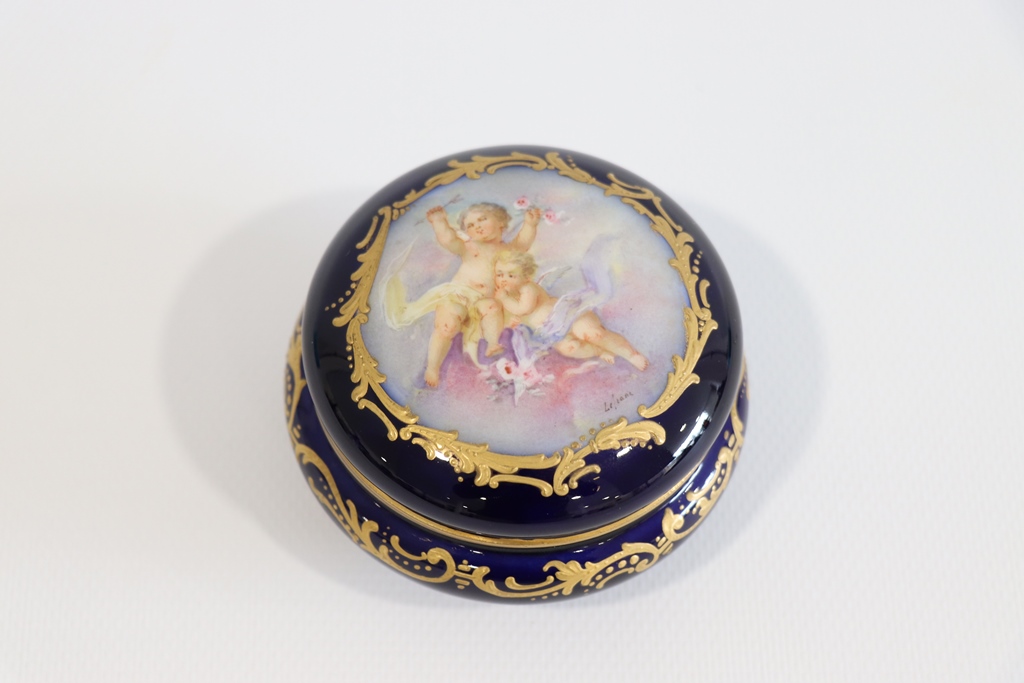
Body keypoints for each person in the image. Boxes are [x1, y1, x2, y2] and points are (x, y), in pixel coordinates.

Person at [384, 203, 541, 387]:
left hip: (482, 301)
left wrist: (530, 224)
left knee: (492, 307)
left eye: (482, 219)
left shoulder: (509, 251)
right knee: (447, 325)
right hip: (458, 296)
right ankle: (432, 367)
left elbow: (523, 242)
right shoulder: (470, 247)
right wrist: (440, 222)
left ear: (501, 222)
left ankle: (492, 344)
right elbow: (448, 240)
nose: (477, 226)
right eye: (470, 225)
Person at [492, 250, 650, 371]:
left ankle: (631, 354)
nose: (503, 279)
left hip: (571, 316)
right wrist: (513, 323)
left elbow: (524, 309)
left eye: (511, 275)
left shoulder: (528, 288)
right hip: (554, 332)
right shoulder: (507, 296)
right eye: (499, 274)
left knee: (592, 333)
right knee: (570, 349)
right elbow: (517, 320)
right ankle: (598, 350)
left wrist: (504, 298)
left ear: (526, 277)